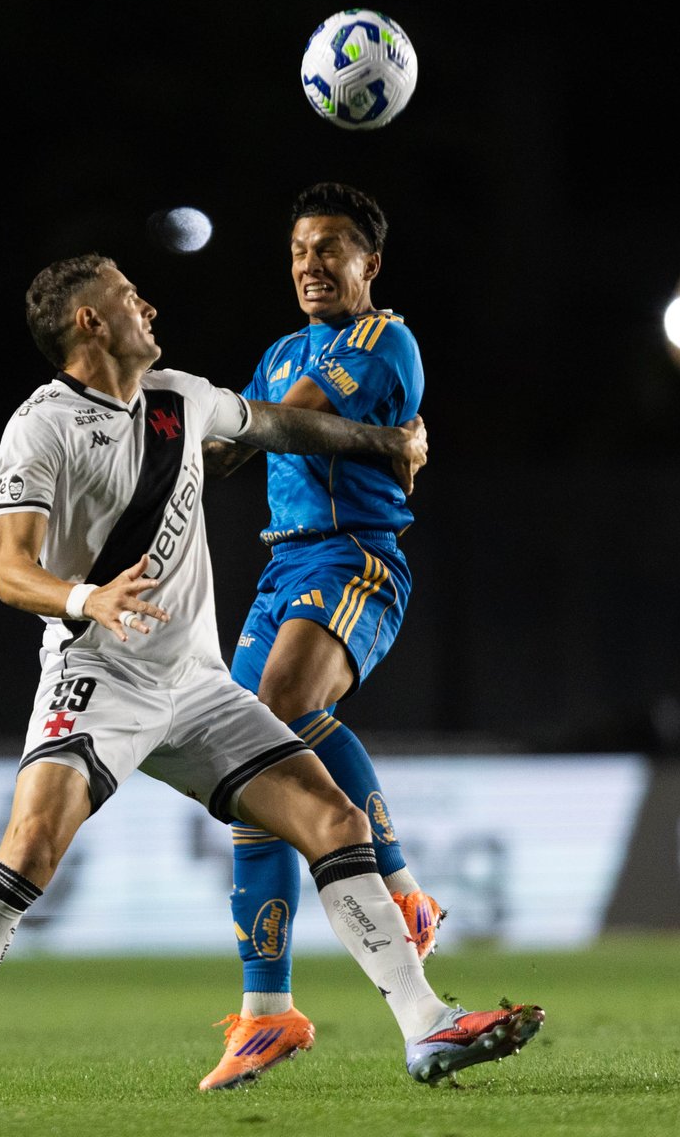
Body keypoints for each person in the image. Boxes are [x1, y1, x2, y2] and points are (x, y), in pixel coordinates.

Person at [0, 253, 543, 1102]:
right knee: (32, 846)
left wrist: (390, 443)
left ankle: (425, 1024)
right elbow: (10, 569)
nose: (148, 305)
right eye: (128, 296)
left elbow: (278, 426)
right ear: (90, 322)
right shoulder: (40, 428)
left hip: (196, 687)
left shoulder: (181, 398)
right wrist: (86, 598)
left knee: (333, 820)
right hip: (99, 676)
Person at [198, 182, 438, 1090]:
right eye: (300, 250)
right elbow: (228, 450)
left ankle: (402, 890)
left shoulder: (381, 338)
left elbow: (288, 422)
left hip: (351, 559)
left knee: (283, 706)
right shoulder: (278, 351)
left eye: (330, 249)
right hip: (280, 570)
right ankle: (266, 1012)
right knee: (250, 768)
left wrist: (228, 423)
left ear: (369, 263)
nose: (311, 265)